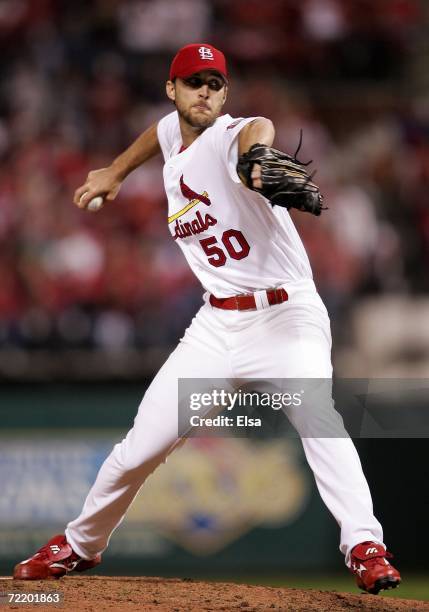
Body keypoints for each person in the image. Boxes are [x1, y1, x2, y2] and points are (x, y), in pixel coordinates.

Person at [13, 43, 400, 595]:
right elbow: (159, 134)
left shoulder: (230, 136)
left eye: (215, 83)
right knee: (136, 451)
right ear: (172, 91)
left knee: (319, 417)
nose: (205, 92)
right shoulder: (175, 133)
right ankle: (80, 545)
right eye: (193, 82)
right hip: (216, 328)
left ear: (226, 94)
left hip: (286, 315)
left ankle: (365, 545)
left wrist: (256, 157)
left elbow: (256, 130)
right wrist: (115, 171)